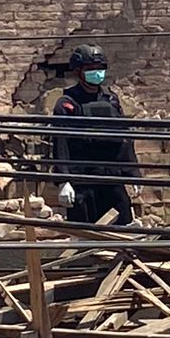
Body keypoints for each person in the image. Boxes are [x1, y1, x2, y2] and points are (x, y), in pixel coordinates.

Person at [50, 44, 138, 225]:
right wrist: (63, 180)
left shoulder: (111, 100)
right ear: (79, 71)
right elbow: (60, 142)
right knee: (86, 235)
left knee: (125, 230)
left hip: (111, 177)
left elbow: (125, 139)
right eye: (90, 69)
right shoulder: (68, 103)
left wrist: (132, 173)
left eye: (100, 69)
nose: (96, 73)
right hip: (83, 180)